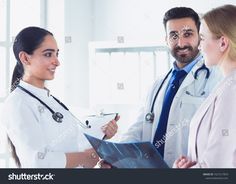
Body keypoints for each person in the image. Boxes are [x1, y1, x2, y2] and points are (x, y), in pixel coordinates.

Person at [1, 26, 118, 168]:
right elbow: (38, 162)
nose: (57, 62)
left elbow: (71, 145)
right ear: (25, 58)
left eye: (57, 54)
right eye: (48, 54)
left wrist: (102, 135)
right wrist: (84, 158)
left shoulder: (49, 99)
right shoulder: (17, 103)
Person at [119, 7, 222, 167]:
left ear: (200, 37)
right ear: (166, 40)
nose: (181, 43)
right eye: (174, 36)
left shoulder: (217, 79)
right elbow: (138, 129)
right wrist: (116, 155)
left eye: (188, 34)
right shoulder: (157, 85)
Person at [174, 4, 236, 168]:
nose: (199, 46)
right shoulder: (226, 85)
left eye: (202, 38)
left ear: (223, 43)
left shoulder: (231, 90)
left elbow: (217, 168)